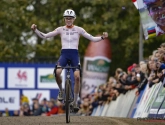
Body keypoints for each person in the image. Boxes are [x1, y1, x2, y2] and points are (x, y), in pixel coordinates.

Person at [31, 9, 108, 111]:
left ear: (74, 19)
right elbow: (45, 36)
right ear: (64, 19)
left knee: (77, 77)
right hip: (64, 54)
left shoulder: (79, 29)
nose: (68, 20)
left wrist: (102, 37)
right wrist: (35, 30)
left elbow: (93, 39)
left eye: (70, 18)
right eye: (67, 18)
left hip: (74, 55)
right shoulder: (60, 29)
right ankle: (61, 91)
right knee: (57, 72)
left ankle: (75, 102)